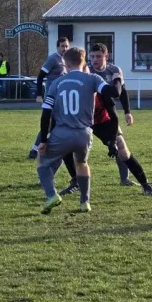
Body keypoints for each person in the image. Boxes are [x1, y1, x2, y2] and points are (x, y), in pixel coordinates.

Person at [37, 47, 123, 215]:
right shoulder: (93, 78)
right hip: (84, 133)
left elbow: (46, 112)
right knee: (82, 163)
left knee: (41, 161)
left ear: (65, 63)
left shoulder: (57, 82)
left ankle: (51, 195)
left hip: (62, 132)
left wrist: (44, 140)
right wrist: (117, 78)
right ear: (84, 61)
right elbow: (114, 93)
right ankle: (85, 202)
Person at [60, 73, 152, 197]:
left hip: (102, 121)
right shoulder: (69, 88)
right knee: (65, 145)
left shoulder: (99, 88)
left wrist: (112, 141)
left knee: (122, 148)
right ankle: (75, 181)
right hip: (81, 122)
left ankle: (146, 185)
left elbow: (114, 116)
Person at [88, 43, 138, 187]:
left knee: (120, 144)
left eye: (98, 56)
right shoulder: (86, 71)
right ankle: (73, 180)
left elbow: (122, 92)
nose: (95, 60)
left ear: (106, 56)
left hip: (105, 116)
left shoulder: (114, 71)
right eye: (92, 56)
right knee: (72, 146)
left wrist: (127, 112)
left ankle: (124, 179)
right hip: (85, 116)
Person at [28, 37, 69, 160]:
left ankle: (59, 149)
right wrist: (39, 95)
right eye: (62, 46)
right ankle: (35, 150)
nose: (65, 48)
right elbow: (40, 77)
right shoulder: (53, 59)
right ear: (57, 47)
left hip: (62, 97)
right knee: (49, 124)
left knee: (58, 124)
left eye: (66, 46)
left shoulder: (67, 61)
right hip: (51, 97)